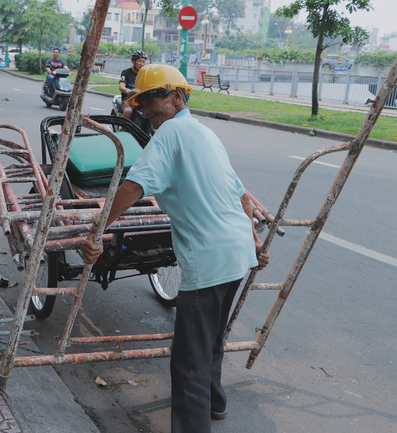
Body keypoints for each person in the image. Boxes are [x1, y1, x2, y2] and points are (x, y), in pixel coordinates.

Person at [79, 64, 269, 433]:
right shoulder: (205, 134)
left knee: (188, 359)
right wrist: (255, 239)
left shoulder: (168, 136)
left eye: (154, 98)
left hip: (210, 259)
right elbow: (241, 194)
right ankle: (215, 403)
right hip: (236, 254)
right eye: (141, 101)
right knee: (211, 339)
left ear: (178, 96)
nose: (147, 108)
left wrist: (95, 231)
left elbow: (133, 188)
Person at [119, 50, 147, 121]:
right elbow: (121, 86)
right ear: (133, 62)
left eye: (143, 62)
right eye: (139, 61)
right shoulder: (126, 72)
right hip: (128, 99)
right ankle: (122, 131)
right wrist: (127, 90)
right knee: (128, 111)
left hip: (141, 99)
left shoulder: (145, 74)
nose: (142, 64)